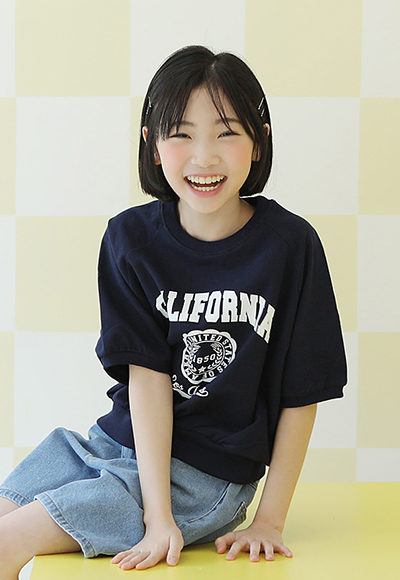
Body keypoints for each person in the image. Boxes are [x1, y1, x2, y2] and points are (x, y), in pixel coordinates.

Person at [0, 45, 347, 577]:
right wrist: (154, 516)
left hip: (204, 478)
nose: (203, 157)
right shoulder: (130, 238)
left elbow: (302, 395)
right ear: (153, 145)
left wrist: (268, 520)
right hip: (114, 443)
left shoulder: (290, 247)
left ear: (259, 142)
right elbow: (147, 376)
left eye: (226, 133)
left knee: (8, 541)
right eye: (181, 134)